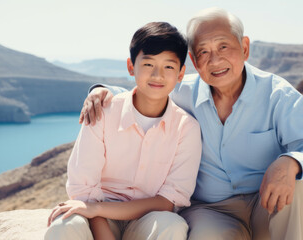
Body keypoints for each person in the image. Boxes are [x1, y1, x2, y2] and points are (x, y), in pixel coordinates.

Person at [80, 7, 303, 240]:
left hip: (266, 203)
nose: (215, 60)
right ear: (193, 61)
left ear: (245, 48)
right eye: (204, 51)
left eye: (224, 47)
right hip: (210, 212)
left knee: (299, 182)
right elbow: (146, 89)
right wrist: (101, 90)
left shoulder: (278, 94)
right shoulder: (183, 92)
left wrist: (290, 162)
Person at [45, 22, 202, 240]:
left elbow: (167, 201)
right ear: (131, 66)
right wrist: (100, 222)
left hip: (148, 218)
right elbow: (83, 188)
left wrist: (98, 209)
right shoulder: (102, 111)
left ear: (181, 73)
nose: (158, 75)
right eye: (148, 64)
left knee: (172, 226)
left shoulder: (187, 129)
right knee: (64, 225)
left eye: (168, 67)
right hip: (97, 217)